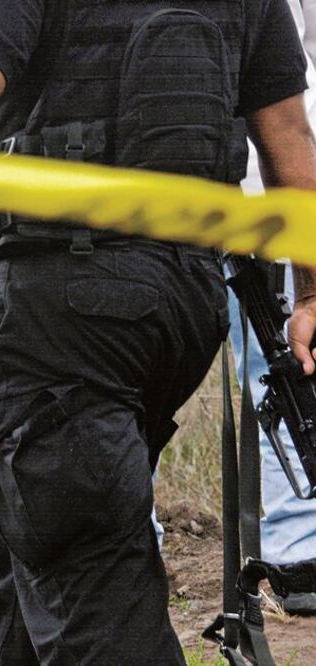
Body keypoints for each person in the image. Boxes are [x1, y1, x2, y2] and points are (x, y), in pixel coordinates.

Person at [0, 0, 316, 663]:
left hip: (66, 310)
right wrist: (310, 291)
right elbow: (288, 139)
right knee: (32, 542)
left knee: (89, 583)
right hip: (184, 305)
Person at [228, 0, 316, 616]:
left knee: (287, 373)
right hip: (248, 182)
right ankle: (297, 546)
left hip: (271, 186)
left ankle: (298, 552)